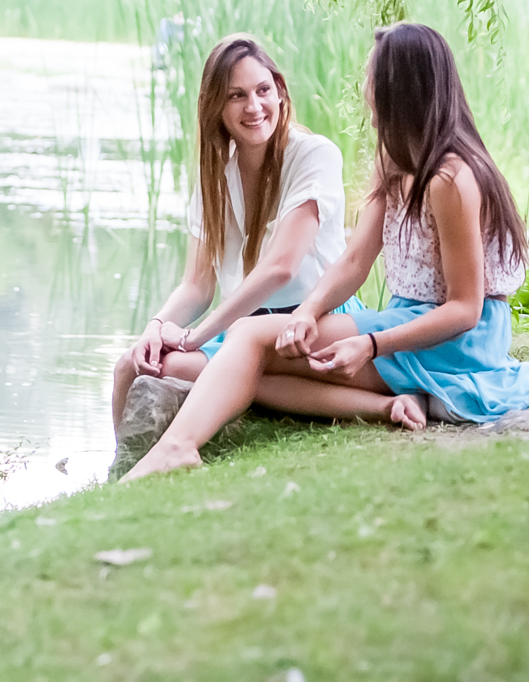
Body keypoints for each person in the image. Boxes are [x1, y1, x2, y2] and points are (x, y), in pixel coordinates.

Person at [121, 22, 529, 480]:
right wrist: (308, 312)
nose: (365, 90)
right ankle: (386, 405)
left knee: (248, 341)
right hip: (403, 318)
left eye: (372, 78)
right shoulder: (392, 162)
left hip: (455, 343)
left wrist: (371, 343)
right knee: (251, 361)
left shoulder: (451, 180)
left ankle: (178, 447)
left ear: (399, 89)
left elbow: (465, 309)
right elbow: (357, 259)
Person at [111, 34, 351, 434]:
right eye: (237, 96)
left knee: (176, 363)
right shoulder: (216, 177)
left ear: (280, 91)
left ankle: (372, 403)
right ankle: (118, 476)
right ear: (216, 108)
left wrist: (193, 337)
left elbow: (281, 268)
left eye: (263, 90)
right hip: (243, 332)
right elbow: (196, 286)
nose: (254, 107)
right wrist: (154, 328)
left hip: (310, 325)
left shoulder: (313, 155)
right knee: (131, 364)